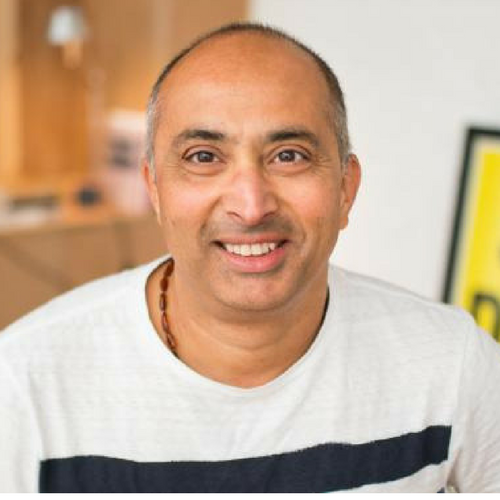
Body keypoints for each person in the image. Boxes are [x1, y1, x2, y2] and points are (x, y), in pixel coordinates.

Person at [1, 22, 499, 493]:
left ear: (345, 189)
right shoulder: (24, 384)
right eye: (203, 157)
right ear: (154, 188)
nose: (251, 205)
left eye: (289, 155)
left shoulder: (452, 364)